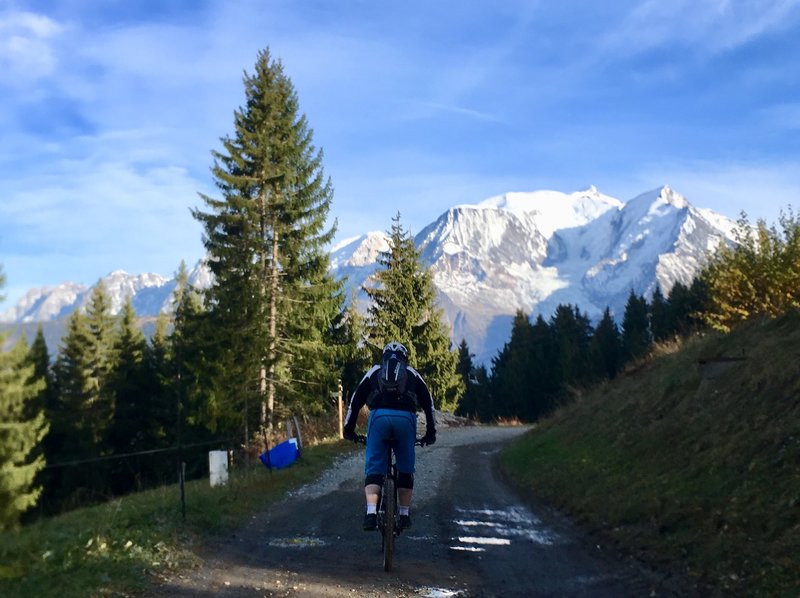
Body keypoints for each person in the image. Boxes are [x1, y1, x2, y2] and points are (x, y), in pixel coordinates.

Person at [343, 341, 437, 531]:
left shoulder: (375, 371)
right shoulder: (412, 373)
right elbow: (429, 405)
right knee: (405, 468)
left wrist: (349, 430)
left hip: (379, 418)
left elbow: (355, 401)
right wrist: (430, 433)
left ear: (384, 357)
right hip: (405, 419)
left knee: (374, 468)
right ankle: (403, 514)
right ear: (405, 358)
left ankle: (371, 513)